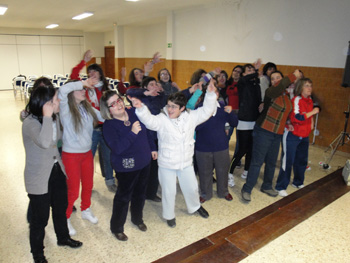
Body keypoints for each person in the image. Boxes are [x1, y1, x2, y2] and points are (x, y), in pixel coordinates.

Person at [130, 79, 217, 228]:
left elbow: (207, 111)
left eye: (174, 107)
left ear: (182, 108)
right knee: (168, 191)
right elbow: (150, 121)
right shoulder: (162, 119)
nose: (170, 109)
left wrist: (209, 94)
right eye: (169, 106)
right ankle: (169, 215)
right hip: (167, 164)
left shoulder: (191, 117)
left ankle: (195, 207)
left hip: (186, 162)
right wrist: (141, 109)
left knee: (191, 187)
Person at [23, 78, 82, 263]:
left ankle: (63, 237)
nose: (59, 103)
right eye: (55, 101)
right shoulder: (30, 123)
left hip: (56, 170)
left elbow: (58, 141)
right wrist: (47, 117)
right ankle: (38, 254)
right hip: (38, 176)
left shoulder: (54, 118)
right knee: (40, 219)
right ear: (45, 104)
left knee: (60, 208)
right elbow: (44, 141)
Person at [100, 90, 155, 241]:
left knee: (140, 194)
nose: (118, 104)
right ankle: (117, 227)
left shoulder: (133, 113)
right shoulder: (109, 126)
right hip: (126, 167)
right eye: (113, 104)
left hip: (144, 162)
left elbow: (147, 132)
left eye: (118, 100)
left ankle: (137, 219)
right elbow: (117, 148)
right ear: (108, 110)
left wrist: (152, 148)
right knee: (123, 197)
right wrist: (132, 132)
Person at [241, 69, 302, 202]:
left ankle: (267, 186)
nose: (275, 80)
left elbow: (284, 112)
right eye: (273, 78)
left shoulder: (286, 95)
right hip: (263, 131)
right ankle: (247, 189)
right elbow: (278, 87)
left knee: (271, 162)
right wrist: (292, 75)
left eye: (278, 77)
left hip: (277, 134)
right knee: (257, 162)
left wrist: (288, 122)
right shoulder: (271, 92)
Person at [58, 78, 103, 236]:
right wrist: (83, 82)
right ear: (72, 92)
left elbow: (103, 116)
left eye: (84, 89)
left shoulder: (87, 107)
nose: (83, 91)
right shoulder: (65, 108)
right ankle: (66, 217)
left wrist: (119, 112)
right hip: (71, 155)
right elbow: (62, 91)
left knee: (89, 184)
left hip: (86, 154)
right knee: (72, 190)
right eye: (80, 89)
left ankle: (86, 209)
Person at [70, 50, 117, 192]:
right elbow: (73, 75)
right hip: (90, 129)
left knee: (108, 156)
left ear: (100, 73)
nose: (92, 74)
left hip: (106, 127)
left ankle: (110, 180)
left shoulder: (106, 88)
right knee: (88, 159)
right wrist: (83, 62)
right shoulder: (84, 87)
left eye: (94, 72)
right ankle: (87, 185)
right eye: (89, 72)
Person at [275, 78, 319, 197]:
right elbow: (297, 117)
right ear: (300, 88)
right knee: (287, 161)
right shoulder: (296, 100)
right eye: (306, 86)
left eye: (310, 85)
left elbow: (309, 115)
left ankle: (298, 182)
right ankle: (281, 186)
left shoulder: (310, 100)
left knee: (302, 160)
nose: (309, 88)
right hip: (292, 135)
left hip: (304, 136)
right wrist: (313, 113)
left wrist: (312, 122)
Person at [194, 84, 238, 203]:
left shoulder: (223, 108)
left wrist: (230, 112)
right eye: (211, 92)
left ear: (218, 96)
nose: (214, 95)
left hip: (221, 146)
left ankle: (223, 191)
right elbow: (195, 127)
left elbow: (234, 123)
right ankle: (205, 193)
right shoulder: (199, 108)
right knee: (204, 172)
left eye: (216, 93)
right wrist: (207, 115)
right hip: (203, 147)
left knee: (222, 170)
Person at [126, 77, 165, 202]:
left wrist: (161, 91)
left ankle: (151, 193)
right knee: (141, 167)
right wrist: (146, 93)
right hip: (143, 137)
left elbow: (175, 97)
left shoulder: (160, 98)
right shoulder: (141, 98)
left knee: (154, 167)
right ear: (145, 87)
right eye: (151, 84)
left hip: (157, 137)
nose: (154, 86)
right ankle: (137, 192)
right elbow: (129, 93)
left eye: (156, 84)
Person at [228, 62, 262, 186]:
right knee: (242, 149)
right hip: (244, 120)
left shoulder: (256, 84)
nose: (251, 71)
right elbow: (245, 78)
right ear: (243, 74)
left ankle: (246, 171)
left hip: (254, 120)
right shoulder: (242, 83)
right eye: (248, 70)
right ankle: (229, 173)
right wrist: (255, 71)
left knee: (251, 149)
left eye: (252, 69)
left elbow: (258, 100)